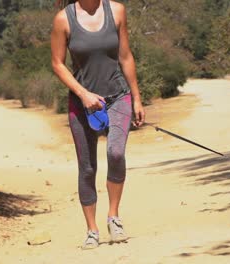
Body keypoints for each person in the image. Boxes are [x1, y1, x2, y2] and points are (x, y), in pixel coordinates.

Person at [51, 0, 145, 249]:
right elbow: (57, 64)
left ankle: (113, 217)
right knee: (87, 167)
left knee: (115, 153)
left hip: (118, 97)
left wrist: (136, 97)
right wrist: (83, 94)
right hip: (81, 103)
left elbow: (125, 55)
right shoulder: (63, 19)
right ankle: (91, 230)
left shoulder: (117, 11)